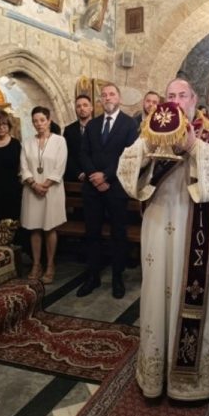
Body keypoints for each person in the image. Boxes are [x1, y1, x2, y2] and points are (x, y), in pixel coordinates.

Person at [117, 78, 209, 400]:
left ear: (194, 99)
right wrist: (147, 149)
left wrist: (193, 146)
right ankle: (156, 374)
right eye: (171, 95)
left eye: (183, 95)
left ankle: (192, 382)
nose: (176, 100)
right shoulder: (149, 131)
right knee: (157, 293)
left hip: (197, 228)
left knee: (193, 295)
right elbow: (126, 170)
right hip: (158, 223)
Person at [77, 83, 138, 299]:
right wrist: (94, 176)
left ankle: (117, 278)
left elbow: (128, 156)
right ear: (100, 100)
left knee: (118, 234)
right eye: (104, 95)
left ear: (119, 98)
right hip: (92, 188)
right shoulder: (92, 125)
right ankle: (93, 276)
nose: (107, 97)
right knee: (92, 232)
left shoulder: (129, 124)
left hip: (115, 187)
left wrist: (106, 176)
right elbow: (83, 153)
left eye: (112, 94)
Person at [20, 106, 68, 284]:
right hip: (32, 190)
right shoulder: (27, 142)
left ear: (49, 121)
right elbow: (23, 167)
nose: (39, 124)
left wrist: (45, 185)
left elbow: (60, 167)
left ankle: (50, 265)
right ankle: (36, 264)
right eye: (35, 121)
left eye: (42, 120)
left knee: (50, 228)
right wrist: (34, 184)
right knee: (35, 228)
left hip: (52, 190)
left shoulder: (59, 141)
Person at [0, 110, 21, 222]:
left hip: (12, 188)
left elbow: (21, 166)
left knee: (12, 221)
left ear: (9, 126)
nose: (1, 127)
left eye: (4, 124)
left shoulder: (16, 144)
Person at [63, 94, 93, 181]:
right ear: (76, 109)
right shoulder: (69, 130)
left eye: (85, 105)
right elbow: (67, 154)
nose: (82, 108)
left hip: (95, 176)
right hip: (74, 177)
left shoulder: (100, 127)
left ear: (91, 108)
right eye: (78, 106)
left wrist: (91, 172)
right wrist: (78, 173)